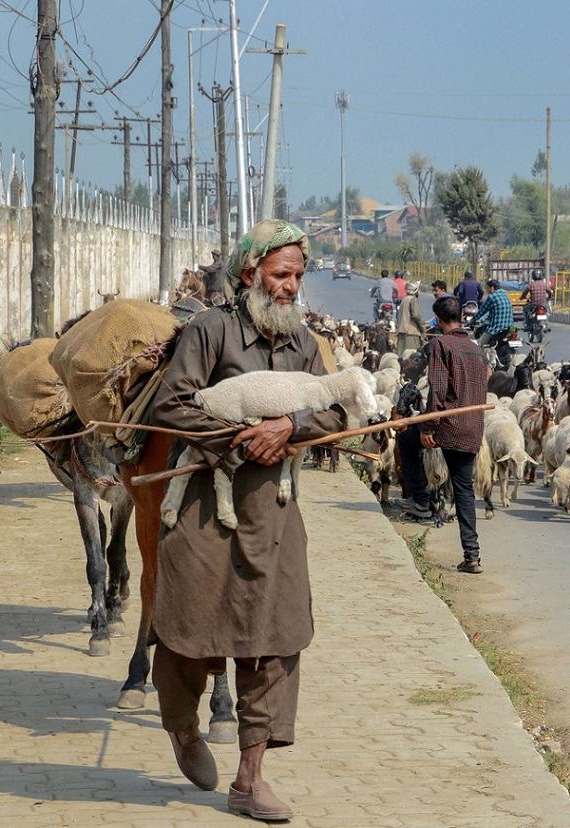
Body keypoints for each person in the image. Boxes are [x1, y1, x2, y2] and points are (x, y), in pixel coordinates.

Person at [146, 219, 346, 822]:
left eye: (298, 276)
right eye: (280, 275)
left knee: (275, 643)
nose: (290, 287)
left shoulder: (306, 346)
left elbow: (335, 410)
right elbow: (170, 405)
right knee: (185, 634)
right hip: (204, 513)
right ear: (248, 274)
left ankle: (249, 780)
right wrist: (239, 439)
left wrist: (290, 428)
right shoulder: (212, 331)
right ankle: (183, 730)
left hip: (275, 520)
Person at [397, 295, 487, 573]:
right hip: (473, 426)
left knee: (405, 437)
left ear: (437, 319)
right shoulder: (476, 349)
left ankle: (422, 500)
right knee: (464, 491)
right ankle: (472, 556)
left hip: (449, 425)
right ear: (460, 317)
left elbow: (437, 389)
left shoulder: (439, 345)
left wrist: (426, 427)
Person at [474, 278, 515, 362]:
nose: (487, 290)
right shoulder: (505, 294)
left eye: (487, 288)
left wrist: (472, 320)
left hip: (497, 328)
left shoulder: (492, 297)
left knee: (480, 344)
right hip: (511, 328)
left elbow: (482, 311)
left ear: (492, 288)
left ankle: (483, 364)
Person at [396, 281, 426, 353]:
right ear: (416, 290)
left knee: (401, 358)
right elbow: (416, 316)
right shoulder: (413, 300)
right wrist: (422, 329)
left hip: (401, 333)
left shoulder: (404, 299)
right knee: (412, 358)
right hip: (411, 334)